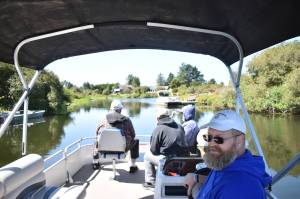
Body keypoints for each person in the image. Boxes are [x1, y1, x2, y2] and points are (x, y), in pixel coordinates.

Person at [184, 109, 272, 199]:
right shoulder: (226, 162)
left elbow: (230, 185)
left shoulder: (240, 190)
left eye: (219, 139)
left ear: (239, 140)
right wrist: (197, 178)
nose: (211, 144)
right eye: (208, 137)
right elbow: (219, 181)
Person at [143, 107, 188, 189]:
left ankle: (150, 182)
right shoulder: (179, 126)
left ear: (157, 118)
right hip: (183, 160)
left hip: (169, 162)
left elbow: (154, 151)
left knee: (147, 156)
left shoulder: (158, 129)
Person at [95, 100, 139, 173]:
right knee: (135, 141)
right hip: (123, 149)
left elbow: (97, 133)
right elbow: (133, 135)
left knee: (96, 140)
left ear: (111, 109)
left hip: (104, 149)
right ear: (120, 109)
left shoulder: (102, 120)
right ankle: (133, 166)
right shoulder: (127, 120)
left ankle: (95, 162)